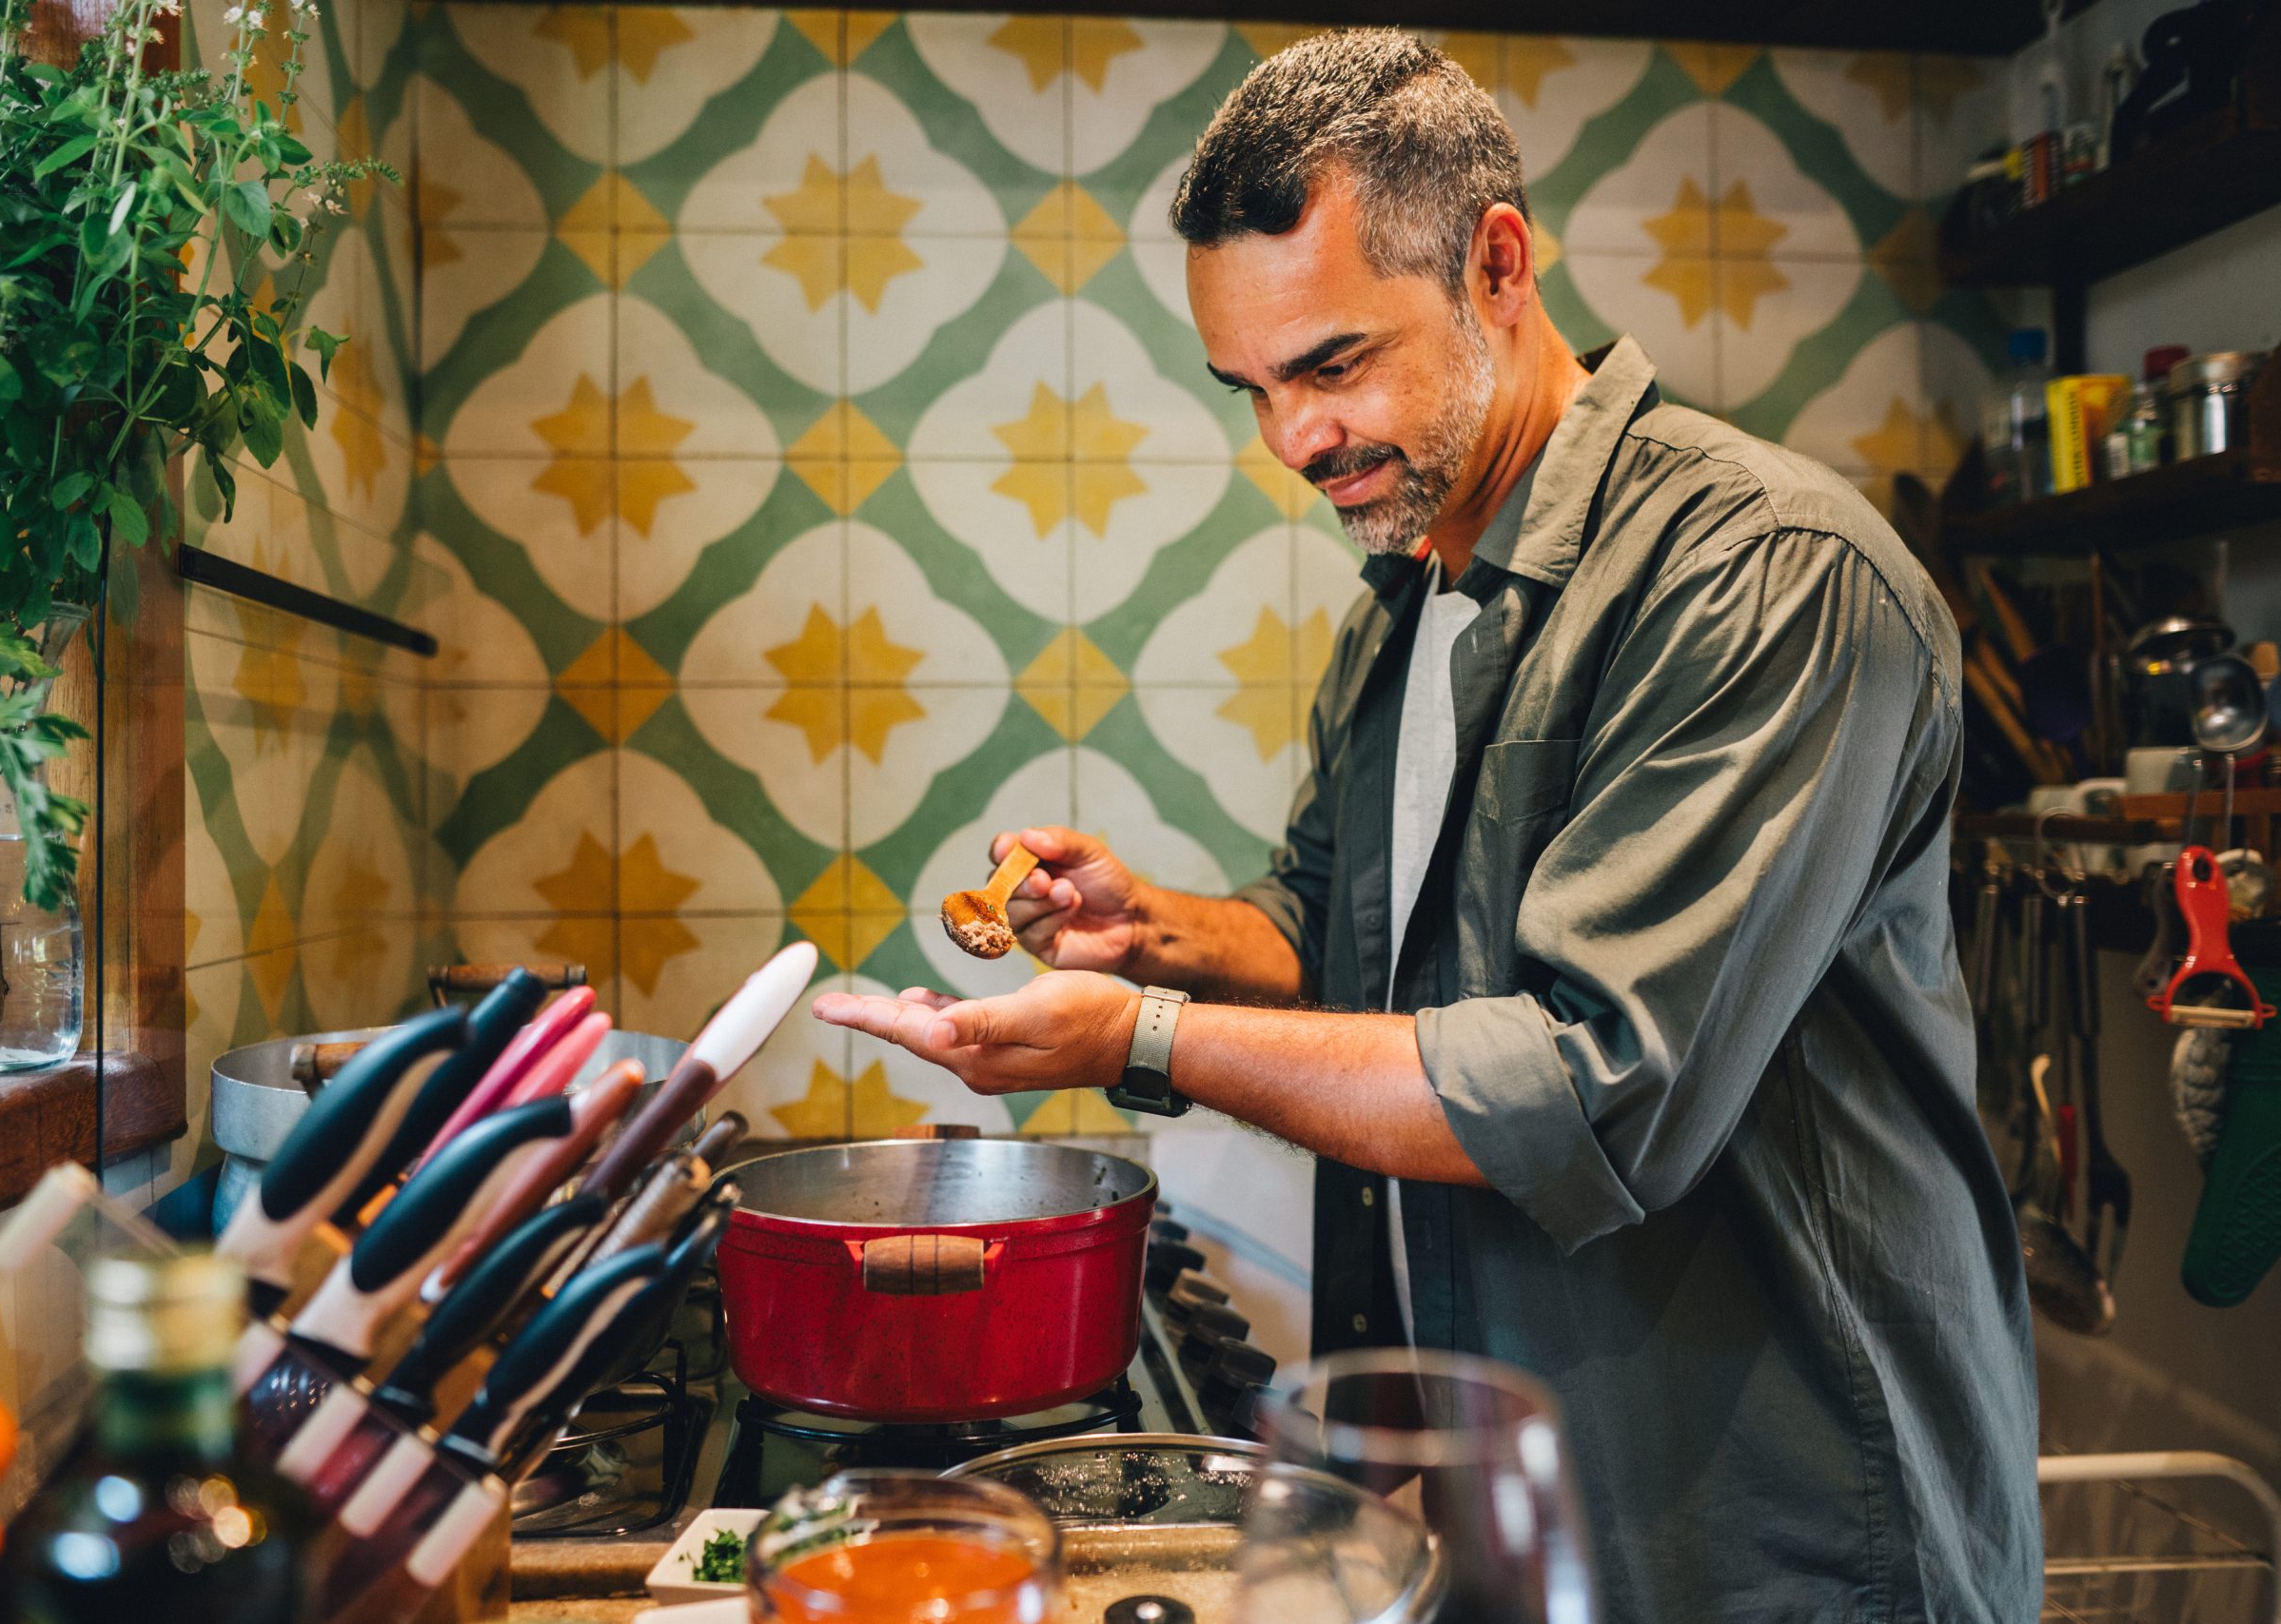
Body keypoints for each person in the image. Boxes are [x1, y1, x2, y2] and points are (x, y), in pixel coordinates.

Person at [814, 29, 2041, 1624]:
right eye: (1253, 389)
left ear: (1500, 264)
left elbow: (1591, 1089)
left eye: (1333, 366)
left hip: (1768, 1531)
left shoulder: (1769, 578)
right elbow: (1342, 932)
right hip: (1517, 1506)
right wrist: (1159, 931)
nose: (1294, 443)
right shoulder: (1413, 595)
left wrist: (1143, 1031)